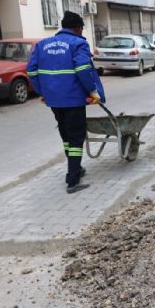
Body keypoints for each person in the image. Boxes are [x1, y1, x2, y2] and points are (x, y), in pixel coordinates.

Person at [27, 11, 105, 194]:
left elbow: (31, 70)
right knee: (76, 137)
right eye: (81, 29)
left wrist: (42, 91)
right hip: (73, 99)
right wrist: (92, 91)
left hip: (53, 100)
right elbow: (84, 69)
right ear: (77, 28)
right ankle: (73, 181)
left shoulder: (42, 45)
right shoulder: (78, 43)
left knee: (66, 136)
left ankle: (75, 168)